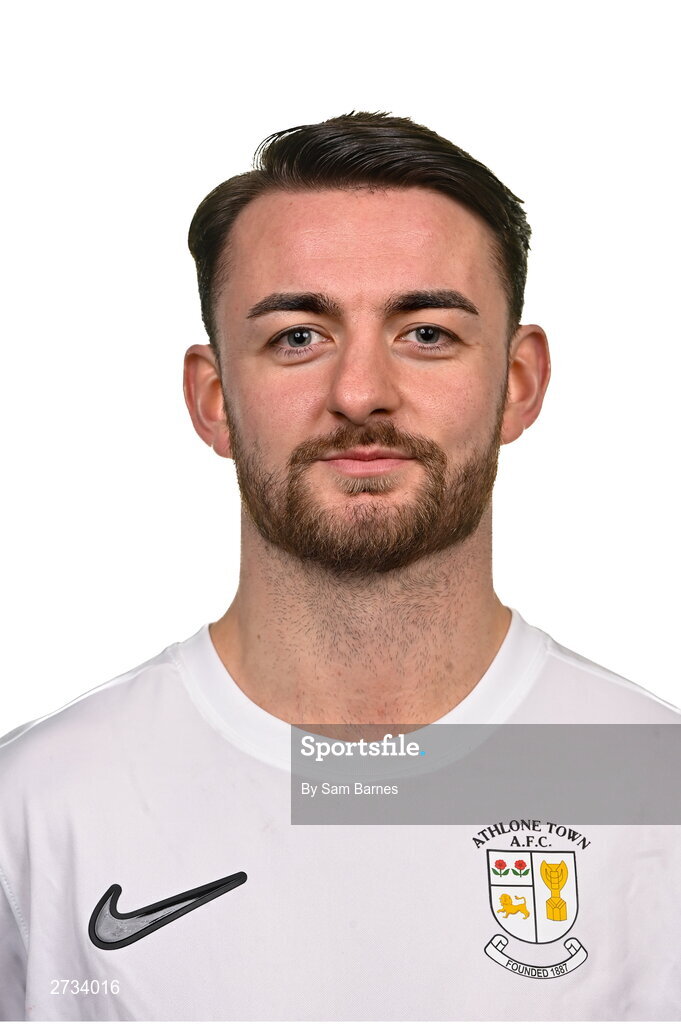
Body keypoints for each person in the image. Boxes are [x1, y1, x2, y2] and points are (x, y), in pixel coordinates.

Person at [1, 112, 679, 1022]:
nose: (360, 393)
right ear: (212, 399)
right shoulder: (39, 808)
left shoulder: (653, 786)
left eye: (427, 332)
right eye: (297, 336)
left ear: (518, 383)